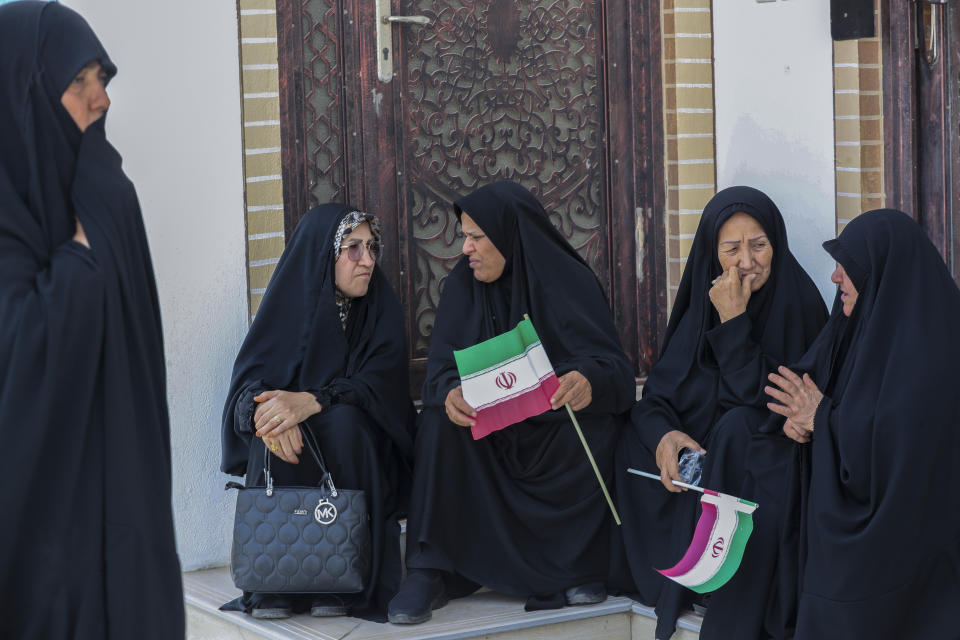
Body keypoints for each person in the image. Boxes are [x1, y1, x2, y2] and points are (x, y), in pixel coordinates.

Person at [0, 3, 185, 638]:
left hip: (118, 507)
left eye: (101, 80)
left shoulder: (100, 188)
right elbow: (18, 354)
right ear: (24, 93)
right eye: (81, 82)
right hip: (37, 542)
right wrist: (79, 267)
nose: (101, 99)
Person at [386, 180, 635, 624]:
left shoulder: (568, 279)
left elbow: (614, 369)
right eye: (464, 236)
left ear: (508, 234)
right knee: (439, 424)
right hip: (492, 438)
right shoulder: (462, 287)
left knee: (598, 427)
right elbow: (440, 372)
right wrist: (450, 394)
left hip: (553, 432)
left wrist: (588, 382)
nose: (466, 249)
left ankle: (575, 567)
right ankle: (428, 570)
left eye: (477, 237)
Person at [614, 186, 828, 640]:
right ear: (713, 255)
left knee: (739, 432)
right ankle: (679, 569)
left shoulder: (801, 307)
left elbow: (761, 400)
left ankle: (723, 576)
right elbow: (655, 398)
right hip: (699, 465)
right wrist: (665, 437)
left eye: (759, 245)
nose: (747, 261)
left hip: (759, 457)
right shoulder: (700, 308)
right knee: (628, 438)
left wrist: (734, 323)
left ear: (777, 244)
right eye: (732, 249)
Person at [766, 209, 960, 639]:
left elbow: (901, 445)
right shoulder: (851, 323)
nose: (835, 277)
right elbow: (800, 388)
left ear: (880, 273)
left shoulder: (935, 346)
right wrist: (793, 422)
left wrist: (821, 417)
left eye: (846, 266)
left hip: (908, 533)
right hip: (860, 514)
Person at [221, 204, 415, 620]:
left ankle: (341, 578)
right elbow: (245, 391)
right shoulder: (289, 307)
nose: (368, 260)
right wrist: (268, 417)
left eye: (372, 247)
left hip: (362, 453)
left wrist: (312, 402)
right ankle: (274, 580)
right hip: (292, 450)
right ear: (324, 256)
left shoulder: (380, 309)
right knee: (270, 429)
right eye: (353, 249)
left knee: (344, 423)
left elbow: (380, 389)